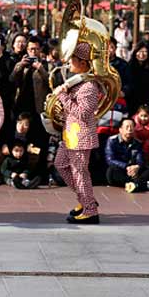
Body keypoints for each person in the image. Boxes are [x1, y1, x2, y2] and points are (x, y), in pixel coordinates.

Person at [52, 40, 102, 224]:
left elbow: (82, 113)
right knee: (60, 164)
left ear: (83, 63)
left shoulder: (89, 87)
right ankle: (85, 198)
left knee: (80, 173)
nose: (68, 62)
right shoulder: (77, 82)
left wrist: (63, 96)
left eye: (72, 59)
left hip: (81, 137)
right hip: (70, 135)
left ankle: (90, 210)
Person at [105, 118, 149, 193]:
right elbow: (110, 159)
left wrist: (137, 167)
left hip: (133, 171)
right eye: (127, 127)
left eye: (132, 127)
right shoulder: (112, 140)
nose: (129, 129)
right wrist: (126, 166)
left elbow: (140, 159)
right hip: (121, 169)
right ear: (120, 129)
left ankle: (133, 184)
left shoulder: (137, 143)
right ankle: (141, 184)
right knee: (111, 171)